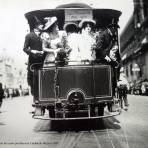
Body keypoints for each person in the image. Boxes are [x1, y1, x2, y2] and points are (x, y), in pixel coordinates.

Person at [23, 22, 45, 97]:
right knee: (34, 80)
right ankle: (35, 99)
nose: (43, 25)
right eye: (41, 24)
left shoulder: (44, 35)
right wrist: (33, 51)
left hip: (44, 61)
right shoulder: (29, 36)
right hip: (33, 62)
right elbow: (25, 49)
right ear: (36, 25)